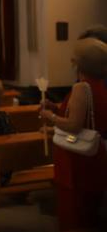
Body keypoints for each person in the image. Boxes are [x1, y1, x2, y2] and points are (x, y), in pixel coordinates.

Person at [39, 38, 107, 231]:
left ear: (78, 63)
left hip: (76, 158)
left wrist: (49, 116)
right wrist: (57, 107)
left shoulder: (81, 87)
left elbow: (74, 125)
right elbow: (86, 116)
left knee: (74, 214)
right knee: (89, 212)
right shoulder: (99, 85)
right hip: (94, 154)